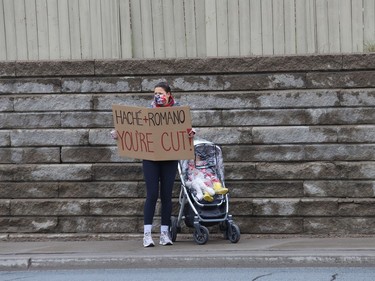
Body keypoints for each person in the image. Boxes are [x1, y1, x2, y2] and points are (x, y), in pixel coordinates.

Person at [111, 81, 195, 247]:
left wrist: (191, 133)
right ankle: (147, 234)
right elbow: (134, 129)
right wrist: (118, 133)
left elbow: (184, 131)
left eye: (161, 93)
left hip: (169, 158)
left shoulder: (178, 113)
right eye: (155, 93)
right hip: (150, 158)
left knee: (166, 196)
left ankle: (164, 234)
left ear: (169, 94)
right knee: (151, 195)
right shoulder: (148, 112)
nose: (157, 96)